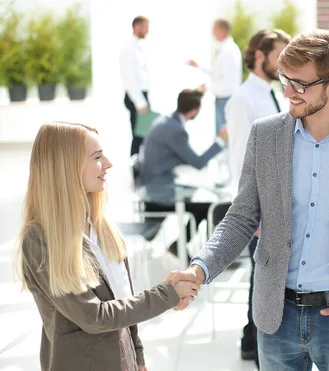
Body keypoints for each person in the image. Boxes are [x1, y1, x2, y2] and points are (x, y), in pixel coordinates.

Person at [170, 29, 329, 370]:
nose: (287, 92)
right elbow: (241, 217)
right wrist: (200, 268)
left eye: (300, 84)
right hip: (276, 318)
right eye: (285, 80)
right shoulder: (265, 134)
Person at [15, 122, 200, 371]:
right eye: (98, 157)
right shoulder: (41, 240)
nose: (109, 163)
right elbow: (95, 317)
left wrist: (138, 356)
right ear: (66, 166)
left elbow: (123, 300)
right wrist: (168, 294)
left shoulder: (103, 228)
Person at [225, 28, 291, 364]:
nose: (284, 62)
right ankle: (250, 342)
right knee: (261, 275)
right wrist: (255, 214)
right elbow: (240, 160)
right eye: (279, 54)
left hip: (279, 203)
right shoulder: (243, 99)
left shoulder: (273, 92)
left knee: (266, 274)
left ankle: (253, 340)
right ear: (260, 55)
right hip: (262, 208)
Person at [139, 89, 228, 256]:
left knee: (200, 197)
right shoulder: (175, 130)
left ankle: (181, 245)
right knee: (208, 206)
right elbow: (197, 162)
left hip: (151, 185)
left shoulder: (164, 121)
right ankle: (204, 253)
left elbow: (171, 156)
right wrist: (221, 141)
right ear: (194, 111)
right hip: (158, 192)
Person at [187, 19, 242, 135]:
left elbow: (227, 80)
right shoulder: (227, 49)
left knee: (223, 136)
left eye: (214, 29)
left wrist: (208, 87)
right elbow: (218, 72)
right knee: (223, 135)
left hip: (225, 99)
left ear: (222, 30)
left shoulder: (228, 51)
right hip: (224, 98)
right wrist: (198, 65)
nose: (212, 33)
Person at [120, 15, 151, 157]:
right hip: (136, 98)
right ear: (137, 27)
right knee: (138, 136)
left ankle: (142, 168)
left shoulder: (139, 47)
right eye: (145, 27)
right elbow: (129, 79)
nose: (147, 30)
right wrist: (140, 103)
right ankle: (136, 170)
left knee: (144, 135)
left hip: (142, 97)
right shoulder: (128, 50)